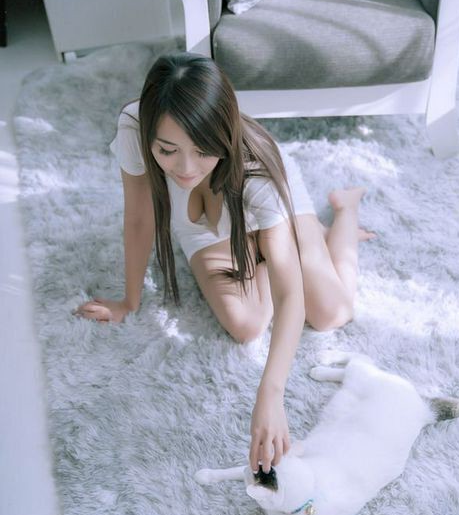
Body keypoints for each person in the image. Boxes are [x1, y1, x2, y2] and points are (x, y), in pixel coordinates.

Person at [75, 53, 374, 476]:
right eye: (167, 150)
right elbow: (140, 216)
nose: (185, 168)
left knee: (332, 313)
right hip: (204, 221)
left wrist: (270, 395)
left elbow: (290, 295)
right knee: (246, 325)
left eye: (203, 150)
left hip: (262, 202)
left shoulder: (258, 171)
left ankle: (344, 212)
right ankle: (280, 247)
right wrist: (129, 300)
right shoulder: (133, 125)